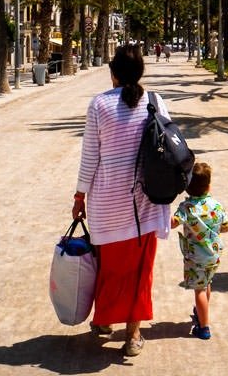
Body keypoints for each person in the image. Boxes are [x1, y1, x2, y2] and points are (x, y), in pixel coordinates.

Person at [72, 43, 172, 358]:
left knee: (108, 269)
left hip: (107, 204)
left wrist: (79, 195)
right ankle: (133, 334)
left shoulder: (99, 105)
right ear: (141, 71)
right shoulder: (154, 102)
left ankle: (103, 322)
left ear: (112, 73)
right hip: (146, 202)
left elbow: (90, 156)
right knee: (141, 271)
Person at [170, 161, 228, 341]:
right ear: (209, 185)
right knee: (206, 283)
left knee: (200, 290)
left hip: (195, 257)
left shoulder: (186, 208)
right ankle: (201, 311)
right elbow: (226, 227)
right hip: (214, 255)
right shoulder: (216, 205)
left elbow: (173, 223)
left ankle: (204, 328)